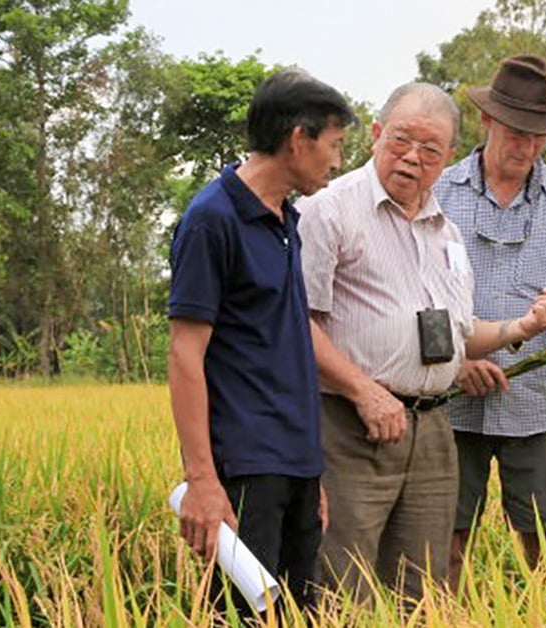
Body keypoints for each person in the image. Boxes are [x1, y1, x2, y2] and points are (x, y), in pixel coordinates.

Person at [296, 82, 546, 605]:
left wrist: (521, 328)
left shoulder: (445, 231)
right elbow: (296, 323)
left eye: (429, 149)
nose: (412, 158)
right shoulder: (328, 212)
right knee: (341, 583)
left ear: (447, 159)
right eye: (401, 141)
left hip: (432, 429)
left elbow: (461, 334)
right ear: (375, 135)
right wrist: (363, 391)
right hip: (351, 427)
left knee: (423, 591)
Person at [167, 69, 356, 614]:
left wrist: (309, 469)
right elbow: (185, 354)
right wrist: (202, 479)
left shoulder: (285, 220)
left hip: (295, 464)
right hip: (246, 468)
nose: (337, 161)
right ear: (299, 138)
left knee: (301, 614)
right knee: (247, 616)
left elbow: (289, 341)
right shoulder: (211, 220)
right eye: (334, 144)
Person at [433, 54, 546, 587]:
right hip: (448, 400)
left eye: (538, 136)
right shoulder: (438, 193)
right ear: (486, 121)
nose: (526, 147)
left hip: (537, 401)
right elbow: (412, 290)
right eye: (515, 132)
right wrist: (457, 358)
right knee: (445, 535)